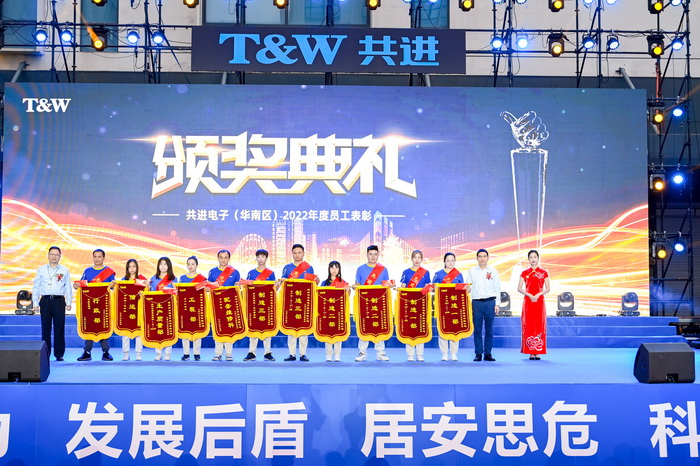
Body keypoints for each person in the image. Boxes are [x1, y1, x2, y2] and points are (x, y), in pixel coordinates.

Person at [32, 246, 72, 362]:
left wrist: (69, 301)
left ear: (60, 256)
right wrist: (35, 302)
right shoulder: (41, 269)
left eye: (56, 254)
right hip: (45, 301)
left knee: (59, 328)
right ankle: (46, 353)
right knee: (46, 328)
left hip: (59, 300)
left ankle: (59, 354)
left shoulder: (64, 270)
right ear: (48, 255)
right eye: (52, 254)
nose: (54, 256)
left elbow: (68, 287)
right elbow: (36, 286)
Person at [75, 249, 115, 362]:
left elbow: (113, 287)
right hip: (90, 304)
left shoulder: (109, 272)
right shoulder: (87, 271)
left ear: (103, 258)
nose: (97, 259)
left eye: (99, 257)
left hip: (104, 304)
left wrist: (113, 284)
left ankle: (106, 352)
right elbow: (81, 284)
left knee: (104, 326)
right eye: (95, 256)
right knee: (89, 326)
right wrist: (76, 285)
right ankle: (87, 352)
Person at [280, 244, 318, 362]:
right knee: (291, 327)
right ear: (292, 253)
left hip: (304, 301)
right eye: (295, 253)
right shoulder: (287, 267)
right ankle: (291, 354)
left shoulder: (309, 268)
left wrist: (317, 280)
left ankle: (303, 354)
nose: (297, 255)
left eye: (299, 252)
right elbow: (282, 283)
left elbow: (313, 283)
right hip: (291, 301)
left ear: (303, 253)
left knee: (304, 327)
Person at [354, 245, 390, 362]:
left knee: (380, 326)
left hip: (379, 303)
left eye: (375, 254)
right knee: (364, 326)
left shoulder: (383, 269)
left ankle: (381, 352)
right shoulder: (360, 269)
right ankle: (362, 352)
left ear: (378, 255)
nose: (373, 256)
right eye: (371, 254)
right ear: (367, 255)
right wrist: (355, 287)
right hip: (365, 303)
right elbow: (358, 285)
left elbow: (386, 285)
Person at [466, 249, 501, 362]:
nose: (482, 259)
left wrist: (497, 304)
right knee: (477, 330)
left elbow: (497, 288)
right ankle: (478, 353)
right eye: (480, 256)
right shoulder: (471, 271)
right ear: (477, 258)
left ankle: (488, 353)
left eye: (484, 256)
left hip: (490, 302)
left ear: (488, 258)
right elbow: (468, 288)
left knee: (489, 330)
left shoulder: (493, 271)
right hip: (476, 303)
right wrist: (467, 289)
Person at [207, 250, 241, 361]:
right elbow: (207, 288)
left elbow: (238, 289)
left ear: (229, 259)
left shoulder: (235, 272)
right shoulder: (212, 272)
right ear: (218, 258)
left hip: (229, 304)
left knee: (229, 327)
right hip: (216, 303)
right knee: (217, 327)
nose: (223, 260)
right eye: (221, 257)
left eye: (225, 257)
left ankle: (229, 353)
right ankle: (217, 353)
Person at [244, 249, 276, 362]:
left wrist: (277, 285)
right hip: (254, 304)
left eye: (263, 256)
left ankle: (267, 352)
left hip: (266, 304)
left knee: (267, 327)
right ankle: (251, 352)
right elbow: (247, 288)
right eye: (258, 257)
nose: (260, 259)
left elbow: (274, 289)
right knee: (253, 327)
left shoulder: (271, 273)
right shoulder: (251, 273)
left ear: (266, 258)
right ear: (256, 258)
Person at [517, 250, 550, 360]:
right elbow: (519, 288)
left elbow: (548, 288)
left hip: (539, 301)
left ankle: (538, 351)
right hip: (528, 301)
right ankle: (531, 351)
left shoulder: (544, 272)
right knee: (529, 324)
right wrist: (530, 295)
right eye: (531, 257)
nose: (533, 259)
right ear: (528, 259)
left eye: (535, 257)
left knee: (540, 324)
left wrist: (538, 294)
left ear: (538, 258)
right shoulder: (524, 273)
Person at [433, 252, 465, 361]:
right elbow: (433, 288)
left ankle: (454, 353)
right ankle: (444, 353)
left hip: (455, 306)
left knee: (454, 328)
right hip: (442, 305)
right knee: (442, 328)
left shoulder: (458, 274)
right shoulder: (438, 274)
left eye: (452, 260)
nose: (450, 263)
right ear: (444, 262)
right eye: (448, 260)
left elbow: (462, 289)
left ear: (455, 261)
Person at [399, 250, 431, 362]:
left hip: (421, 304)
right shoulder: (406, 272)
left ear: (421, 259)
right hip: (409, 304)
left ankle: (420, 354)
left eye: (419, 257)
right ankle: (410, 354)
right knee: (409, 327)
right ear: (411, 259)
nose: (416, 260)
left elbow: (427, 287)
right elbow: (403, 287)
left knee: (421, 327)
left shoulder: (426, 272)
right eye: (415, 257)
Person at [148, 257, 178, 361]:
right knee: (157, 329)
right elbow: (150, 293)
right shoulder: (153, 278)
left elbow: (176, 293)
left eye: (165, 264)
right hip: (156, 307)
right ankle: (158, 352)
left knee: (169, 330)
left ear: (169, 266)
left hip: (169, 307)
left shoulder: (174, 279)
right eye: (161, 264)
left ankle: (168, 353)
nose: (163, 266)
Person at [179, 256, 207, 361]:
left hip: (198, 307)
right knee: (185, 330)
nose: (191, 266)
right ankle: (186, 353)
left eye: (193, 264)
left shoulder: (202, 278)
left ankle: (197, 353)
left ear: (197, 265)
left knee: (197, 330)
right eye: (189, 264)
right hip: (185, 307)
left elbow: (207, 291)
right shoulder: (182, 278)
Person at [119, 259, 147, 361]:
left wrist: (146, 288)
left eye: (134, 266)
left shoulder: (142, 280)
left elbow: (148, 293)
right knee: (125, 332)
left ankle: (138, 353)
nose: (132, 269)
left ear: (137, 268)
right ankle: (126, 353)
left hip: (138, 309)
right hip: (126, 309)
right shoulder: (123, 280)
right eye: (130, 267)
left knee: (138, 332)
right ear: (127, 268)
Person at [321, 261, 348, 362]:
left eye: (336, 267)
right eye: (332, 267)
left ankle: (337, 355)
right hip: (327, 312)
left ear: (339, 269)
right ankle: (328, 354)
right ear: (329, 269)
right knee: (327, 333)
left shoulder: (343, 282)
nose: (334, 270)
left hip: (338, 312)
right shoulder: (324, 283)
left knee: (338, 333)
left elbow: (347, 296)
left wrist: (347, 290)